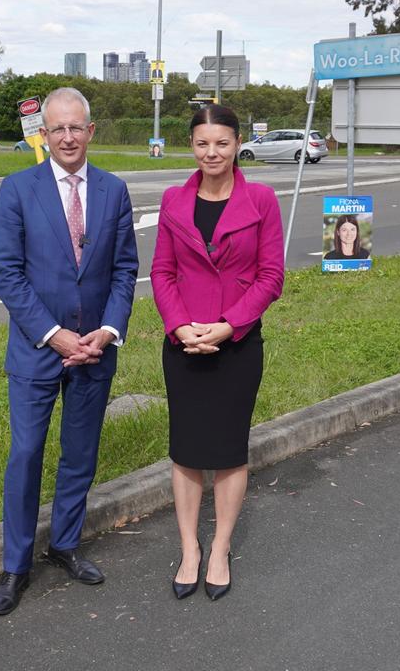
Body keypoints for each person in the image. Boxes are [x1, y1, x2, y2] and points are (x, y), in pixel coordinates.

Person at [0, 87, 139, 615]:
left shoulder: (115, 191)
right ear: (44, 135)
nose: (68, 137)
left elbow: (124, 271)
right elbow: (7, 274)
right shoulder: (17, 189)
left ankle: (66, 544)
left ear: (91, 131)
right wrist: (53, 334)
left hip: (95, 349)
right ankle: (15, 566)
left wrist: (109, 331)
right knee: (26, 455)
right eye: (58, 129)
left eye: (77, 127)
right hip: (36, 350)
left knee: (80, 455)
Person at [150, 104, 285, 601]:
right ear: (192, 145)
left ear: (237, 144)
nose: (212, 152)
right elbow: (162, 272)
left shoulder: (263, 199)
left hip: (237, 344)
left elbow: (273, 276)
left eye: (222, 143)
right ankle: (189, 548)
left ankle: (221, 548)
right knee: (186, 451)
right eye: (203, 143)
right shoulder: (172, 200)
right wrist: (180, 326)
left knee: (228, 452)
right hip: (183, 343)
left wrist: (228, 327)